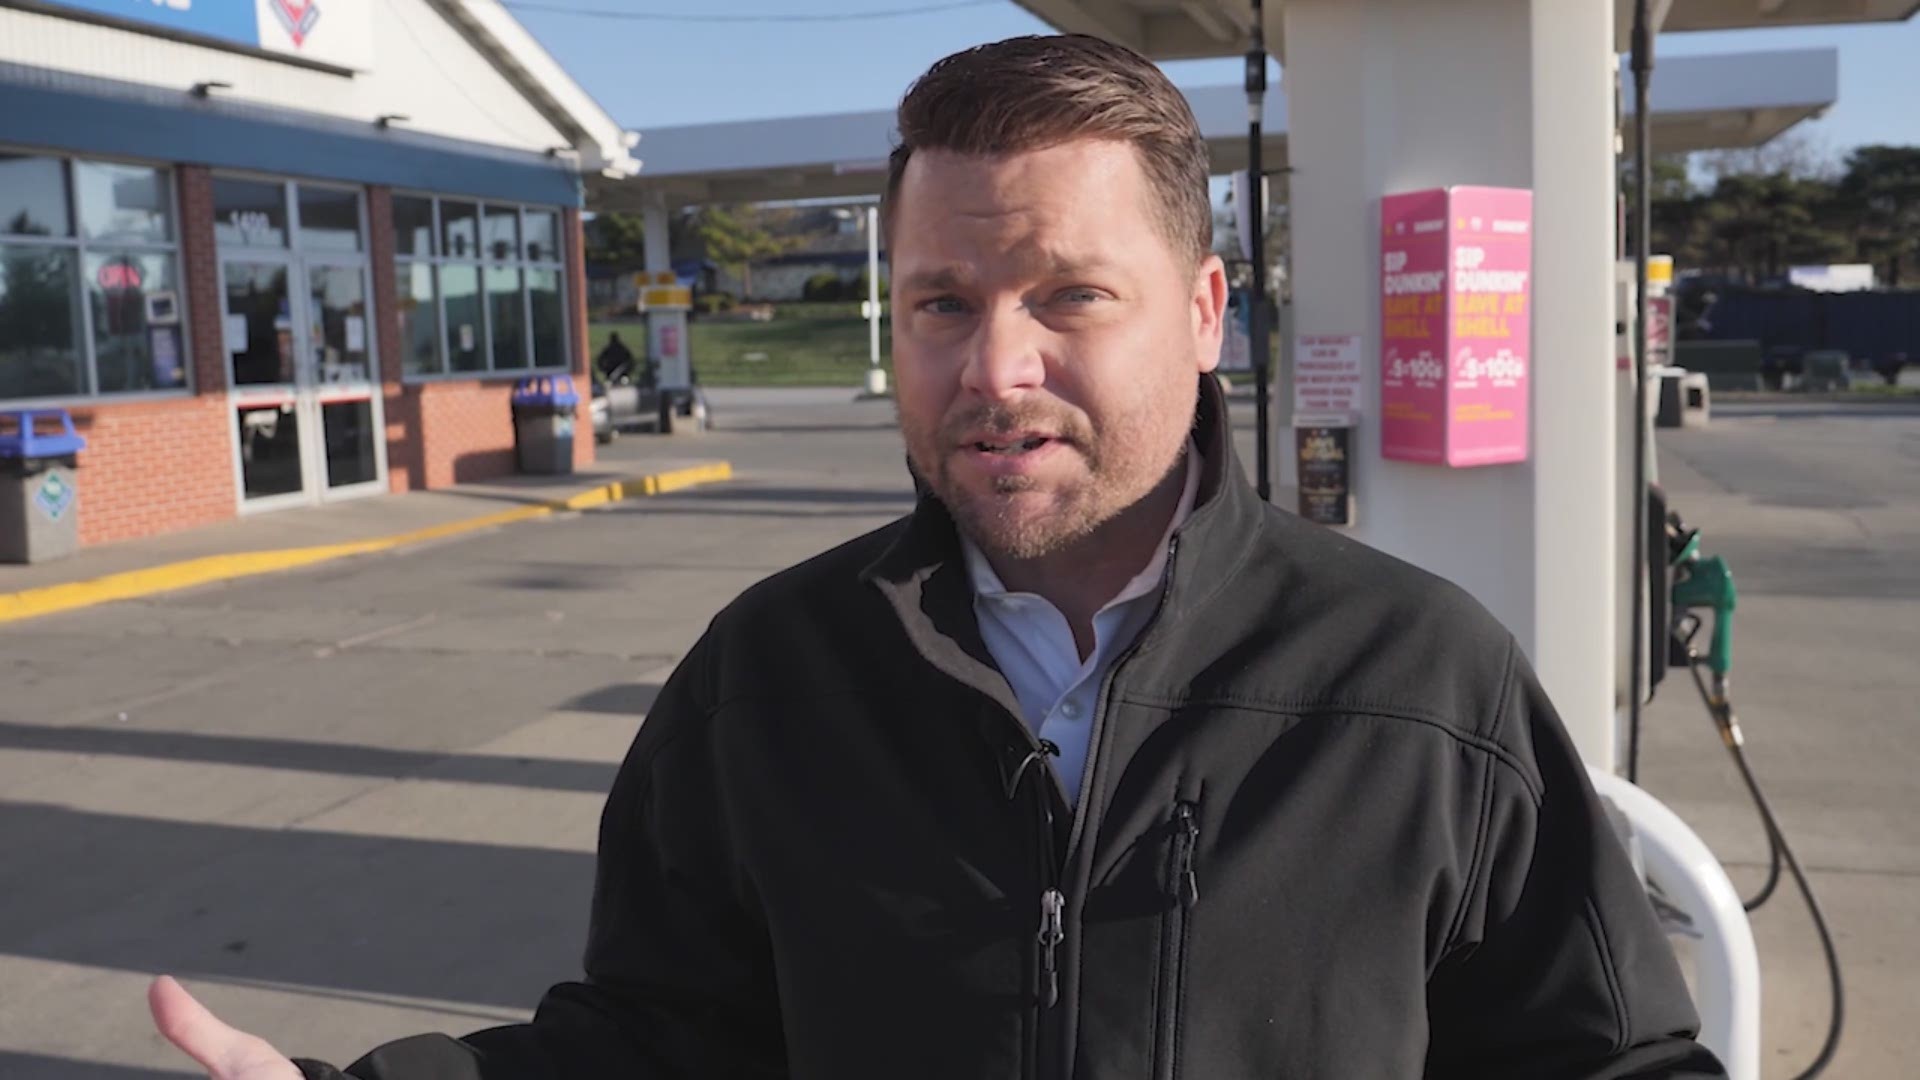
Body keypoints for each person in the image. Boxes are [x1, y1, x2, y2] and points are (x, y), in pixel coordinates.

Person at [150, 34, 1725, 1080]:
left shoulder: (1418, 681)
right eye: (940, 304)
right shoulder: (768, 678)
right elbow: (659, 1043)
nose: (995, 368)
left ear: (1203, 310)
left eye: (1067, 297)